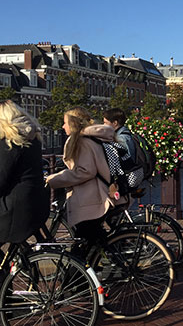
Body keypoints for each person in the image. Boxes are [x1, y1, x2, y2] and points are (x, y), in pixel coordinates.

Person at [46, 107, 124, 251]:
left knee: (82, 246)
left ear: (73, 123)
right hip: (100, 194)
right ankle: (104, 265)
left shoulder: (83, 142)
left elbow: (84, 171)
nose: (63, 126)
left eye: (65, 123)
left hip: (90, 199)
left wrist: (52, 180)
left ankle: (80, 272)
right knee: (93, 241)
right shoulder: (95, 138)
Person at [0, 100, 49, 243]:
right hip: (33, 203)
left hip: (15, 210)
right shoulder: (31, 139)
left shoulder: (10, 143)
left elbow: (1, 177)